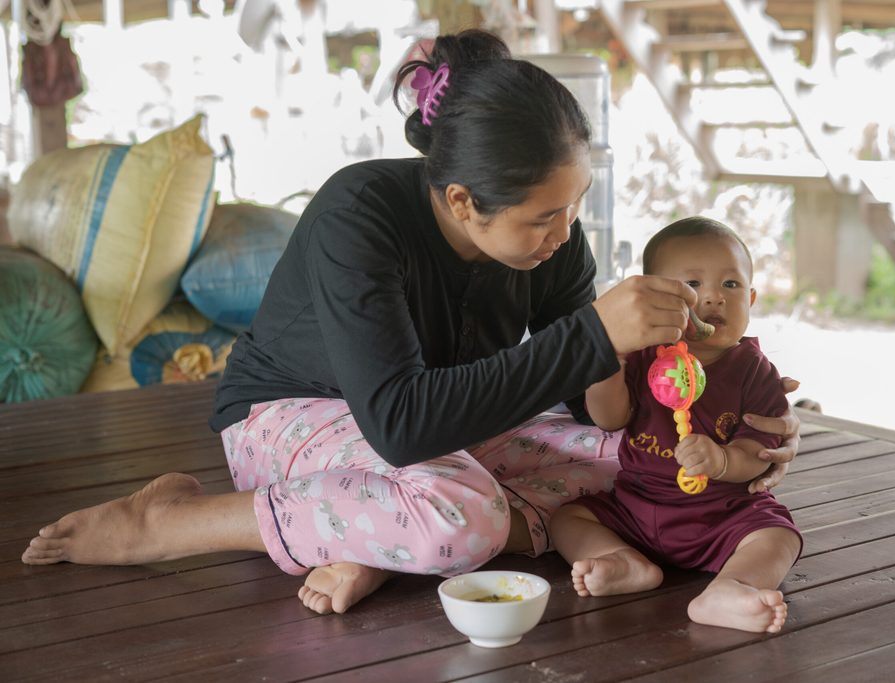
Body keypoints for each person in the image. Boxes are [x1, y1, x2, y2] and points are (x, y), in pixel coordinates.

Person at [21, 31, 801, 616]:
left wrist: (705, 396)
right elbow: (397, 423)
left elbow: (590, 406)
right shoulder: (359, 214)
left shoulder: (554, 236)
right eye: (542, 218)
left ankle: (376, 544)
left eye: (573, 206)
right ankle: (171, 522)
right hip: (294, 420)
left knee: (622, 458)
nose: (565, 233)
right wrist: (592, 334)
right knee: (464, 517)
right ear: (463, 201)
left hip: (445, 436)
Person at [551, 217, 803, 634]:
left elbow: (760, 453)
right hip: (636, 506)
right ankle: (624, 561)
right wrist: (609, 360)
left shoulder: (754, 371)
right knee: (568, 519)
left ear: (752, 298)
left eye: (730, 285)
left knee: (779, 536)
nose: (713, 299)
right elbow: (609, 418)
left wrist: (722, 460)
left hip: (723, 516)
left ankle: (729, 589)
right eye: (692, 285)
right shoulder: (642, 355)